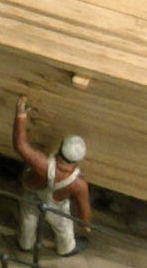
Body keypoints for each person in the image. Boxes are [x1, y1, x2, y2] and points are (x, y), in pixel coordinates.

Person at [13, 94, 91, 256]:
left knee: (28, 219)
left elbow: (20, 145)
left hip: (32, 195)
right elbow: (84, 207)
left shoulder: (42, 164)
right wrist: (85, 225)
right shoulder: (78, 184)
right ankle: (66, 249)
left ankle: (25, 244)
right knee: (63, 226)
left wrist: (21, 115)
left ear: (60, 148)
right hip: (56, 205)